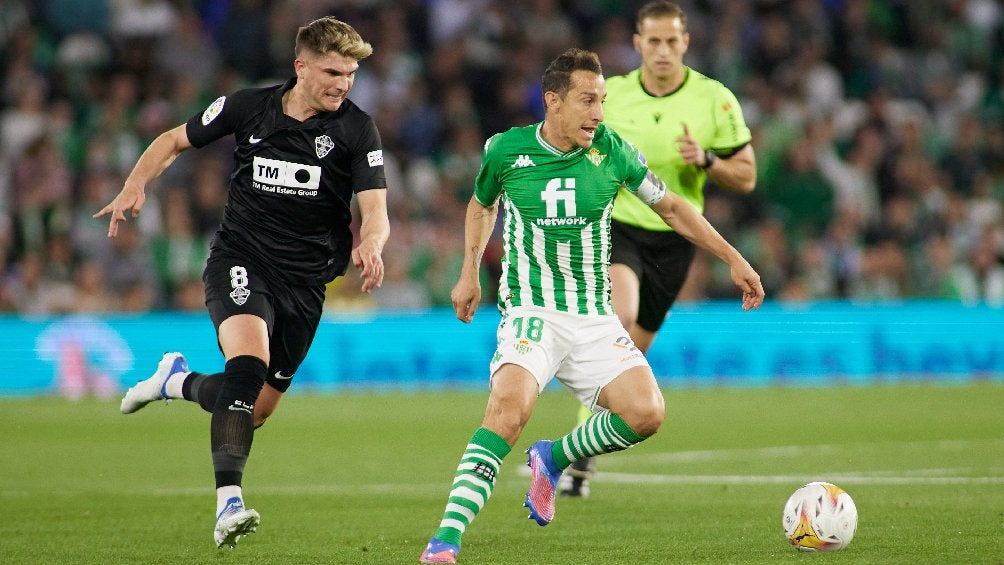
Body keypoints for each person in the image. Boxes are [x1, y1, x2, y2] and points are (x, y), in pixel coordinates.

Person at [418, 47, 763, 564]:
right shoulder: (506, 150)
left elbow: (670, 206)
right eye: (587, 101)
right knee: (508, 412)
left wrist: (733, 256)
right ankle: (445, 540)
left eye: (602, 101)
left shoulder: (613, 151)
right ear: (552, 101)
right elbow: (481, 204)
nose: (599, 113)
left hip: (592, 316)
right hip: (532, 311)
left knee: (647, 413)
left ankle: (553, 457)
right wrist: (469, 272)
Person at [95, 17, 389, 549]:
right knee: (246, 366)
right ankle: (228, 504)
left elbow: (376, 208)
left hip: (306, 284)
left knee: (252, 412)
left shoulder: (356, 128)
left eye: (351, 74)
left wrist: (372, 241)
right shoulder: (248, 107)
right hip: (241, 260)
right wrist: (135, 184)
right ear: (300, 66)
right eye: (332, 71)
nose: (343, 84)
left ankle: (176, 381)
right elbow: (173, 139)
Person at [560, 1, 757, 498]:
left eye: (672, 41)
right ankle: (573, 451)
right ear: (638, 43)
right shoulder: (615, 94)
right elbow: (576, 141)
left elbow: (747, 174)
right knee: (620, 320)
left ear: (685, 43)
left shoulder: (714, 99)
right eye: (654, 41)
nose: (663, 50)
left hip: (676, 239)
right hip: (618, 225)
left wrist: (707, 160)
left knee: (629, 357)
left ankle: (579, 452)